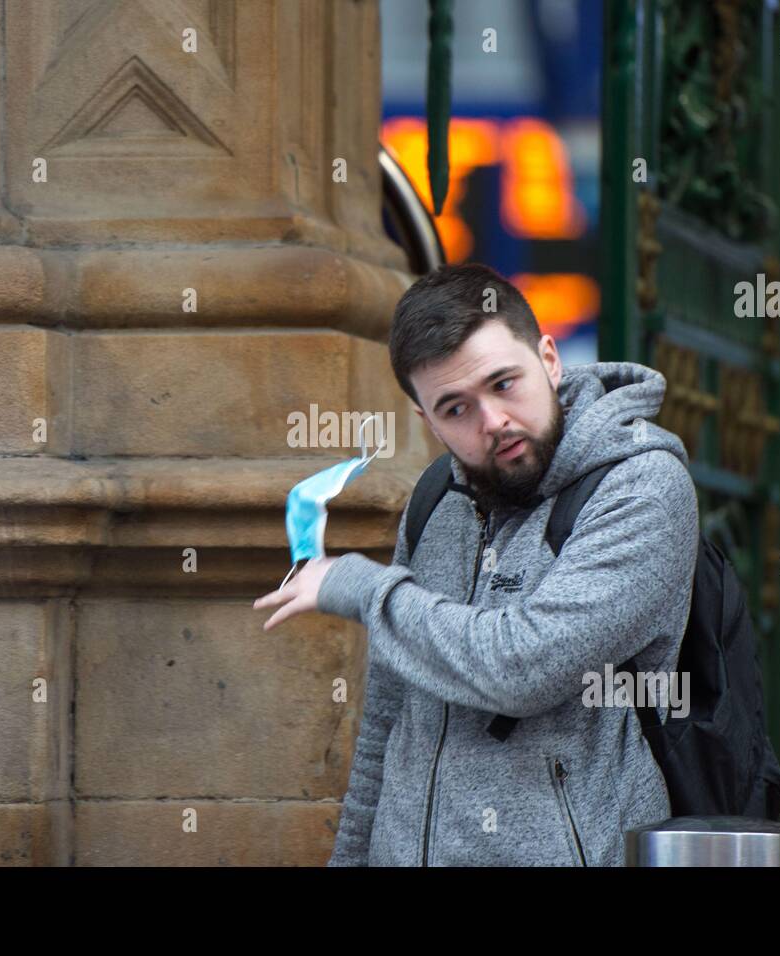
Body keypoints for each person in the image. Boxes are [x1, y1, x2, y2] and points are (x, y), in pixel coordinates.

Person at [254, 263, 699, 866]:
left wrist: (360, 587)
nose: (493, 423)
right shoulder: (437, 496)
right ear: (427, 421)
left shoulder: (642, 485)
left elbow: (525, 667)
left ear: (548, 358)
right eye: (456, 409)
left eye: (504, 383)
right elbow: (388, 715)